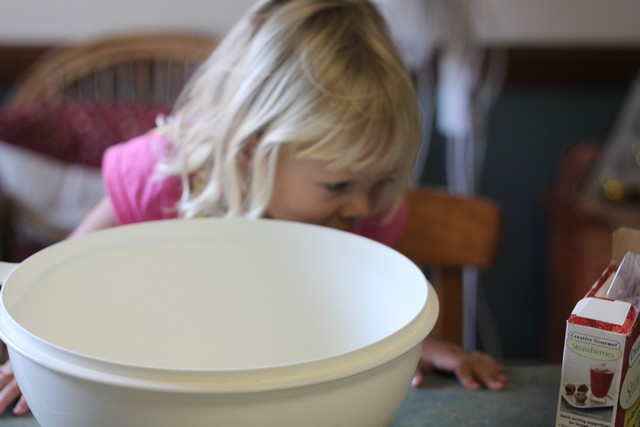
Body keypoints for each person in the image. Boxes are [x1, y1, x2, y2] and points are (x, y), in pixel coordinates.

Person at [0, 0, 506, 416]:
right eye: (338, 185)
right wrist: (36, 365)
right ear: (250, 151)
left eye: (383, 180)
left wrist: (410, 347)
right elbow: (57, 289)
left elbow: (361, 316)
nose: (362, 205)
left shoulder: (367, 211)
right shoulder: (164, 178)